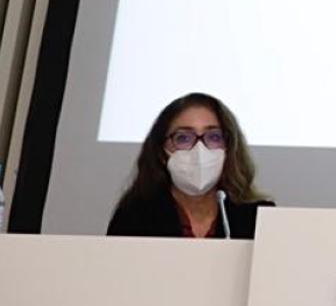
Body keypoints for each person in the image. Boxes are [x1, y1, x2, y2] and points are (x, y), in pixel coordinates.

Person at [107, 92, 273, 238]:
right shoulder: (134, 217)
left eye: (214, 137)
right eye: (183, 138)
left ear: (229, 148)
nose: (199, 149)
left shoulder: (259, 218)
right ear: (162, 152)